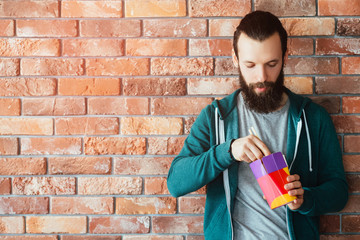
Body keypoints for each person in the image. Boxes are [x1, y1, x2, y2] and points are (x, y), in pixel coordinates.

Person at [167, 10, 348, 240]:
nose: (261, 76)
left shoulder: (313, 118)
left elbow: (339, 192)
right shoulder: (216, 117)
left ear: (285, 56)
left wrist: (306, 198)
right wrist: (228, 151)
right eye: (250, 65)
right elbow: (175, 182)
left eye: (271, 63)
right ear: (235, 59)